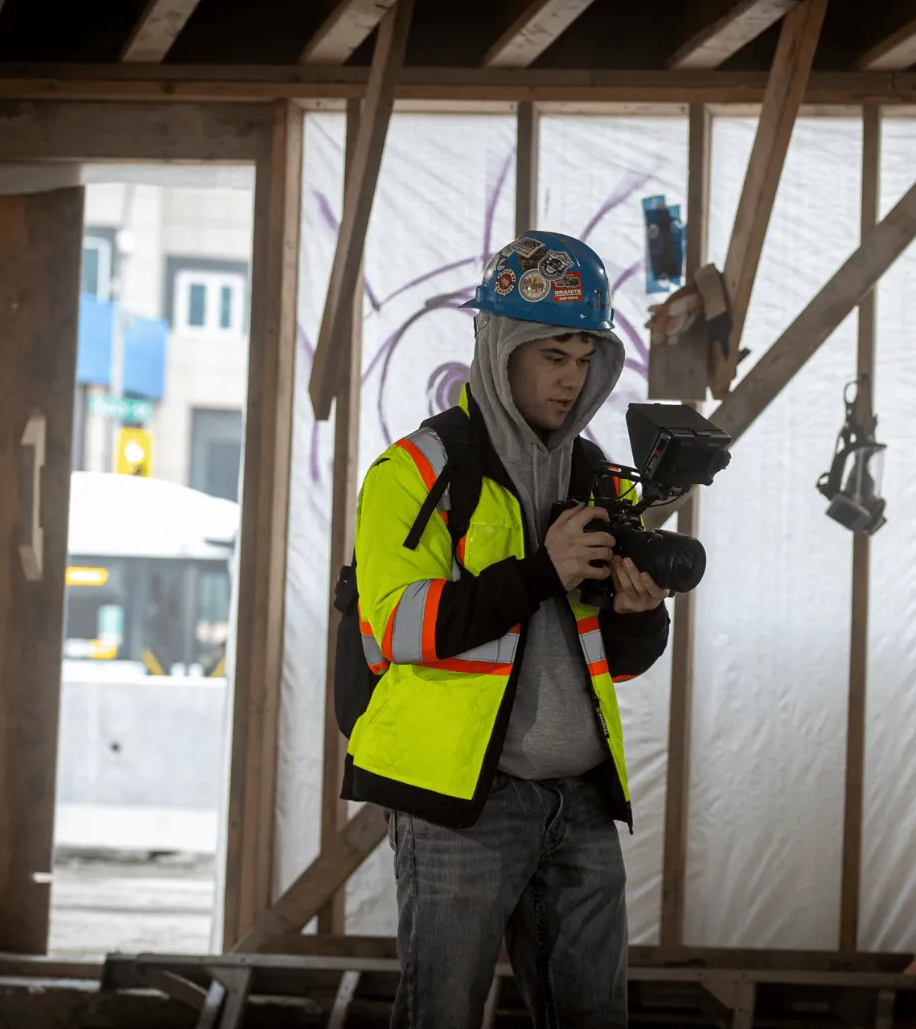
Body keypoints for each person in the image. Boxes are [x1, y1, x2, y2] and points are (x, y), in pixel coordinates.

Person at [344, 231, 671, 1028]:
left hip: (582, 802)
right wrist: (537, 572)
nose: (572, 376)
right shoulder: (414, 473)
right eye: (551, 353)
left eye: (587, 354)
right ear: (499, 347)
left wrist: (639, 614)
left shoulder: (591, 473)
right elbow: (396, 625)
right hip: (461, 804)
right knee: (442, 1015)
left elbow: (606, 660)